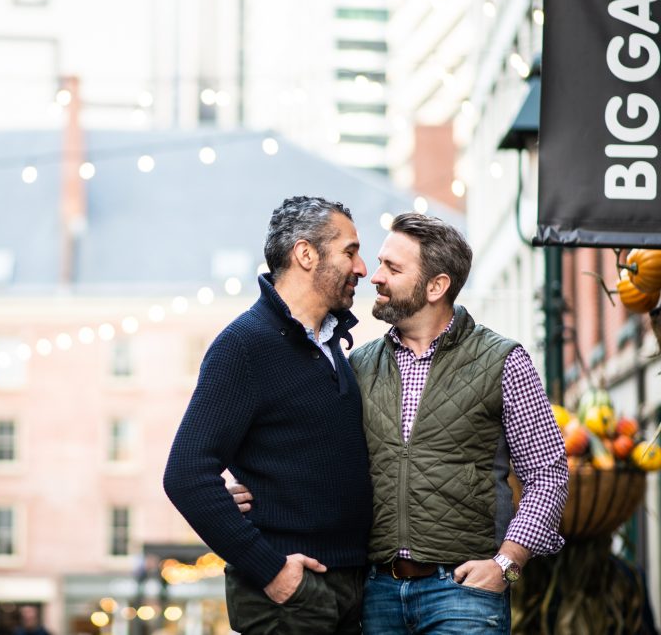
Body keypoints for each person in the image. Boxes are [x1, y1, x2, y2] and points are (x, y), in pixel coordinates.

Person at [232, 212, 568, 634]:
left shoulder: (504, 361)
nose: (374, 277)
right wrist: (248, 485)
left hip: (463, 592)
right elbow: (312, 451)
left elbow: (547, 475)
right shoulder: (357, 364)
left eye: (393, 268)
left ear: (436, 286)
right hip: (375, 594)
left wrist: (507, 565)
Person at [164, 196, 373, 634]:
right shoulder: (244, 346)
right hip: (291, 597)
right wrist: (272, 571)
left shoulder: (332, 344)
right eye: (350, 251)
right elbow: (186, 474)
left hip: (353, 586)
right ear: (305, 254)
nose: (362, 268)